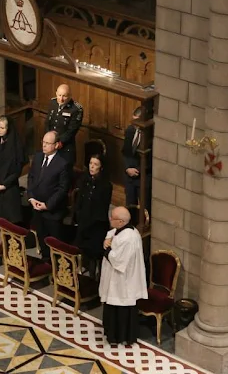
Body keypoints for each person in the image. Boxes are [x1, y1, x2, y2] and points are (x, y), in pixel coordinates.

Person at [99, 206, 147, 345]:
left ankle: (120, 336)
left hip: (122, 281)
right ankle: (111, 332)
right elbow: (112, 234)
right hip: (116, 278)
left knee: (120, 306)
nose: (109, 219)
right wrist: (107, 241)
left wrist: (107, 248)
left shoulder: (129, 238)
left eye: (112, 218)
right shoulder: (124, 230)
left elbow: (118, 260)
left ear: (121, 221)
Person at [27, 131, 70, 260]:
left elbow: (63, 189)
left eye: (48, 143)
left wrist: (48, 205)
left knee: (55, 245)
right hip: (36, 207)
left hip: (52, 211)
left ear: (56, 145)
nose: (44, 146)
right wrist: (31, 197)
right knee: (42, 240)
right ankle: (45, 265)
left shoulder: (63, 163)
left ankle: (57, 272)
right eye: (43, 142)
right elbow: (31, 177)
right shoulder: (38, 156)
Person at [74, 154, 113, 280]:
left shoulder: (106, 185)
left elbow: (102, 208)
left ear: (101, 167)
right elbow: (80, 199)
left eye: (95, 164)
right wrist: (78, 215)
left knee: (96, 254)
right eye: (91, 163)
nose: (92, 166)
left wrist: (91, 222)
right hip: (84, 221)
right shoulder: (84, 180)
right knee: (85, 252)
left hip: (97, 224)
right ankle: (88, 279)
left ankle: (99, 279)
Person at [0, 116, 27, 224]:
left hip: (8, 183)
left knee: (9, 214)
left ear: (8, 128)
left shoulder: (15, 144)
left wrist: (4, 185)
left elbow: (17, 170)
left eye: (2, 128)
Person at [122, 106, 152, 217]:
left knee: (145, 209)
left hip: (143, 177)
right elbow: (125, 152)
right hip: (129, 177)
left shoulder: (151, 136)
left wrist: (137, 170)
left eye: (137, 121)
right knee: (130, 207)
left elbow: (150, 159)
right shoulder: (130, 130)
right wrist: (127, 168)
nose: (134, 124)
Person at [45, 84, 83, 168]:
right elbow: (48, 122)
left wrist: (60, 142)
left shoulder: (76, 109)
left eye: (64, 96)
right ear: (56, 93)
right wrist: (48, 139)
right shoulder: (53, 103)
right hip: (51, 144)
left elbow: (72, 130)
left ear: (70, 96)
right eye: (59, 95)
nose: (61, 99)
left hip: (65, 147)